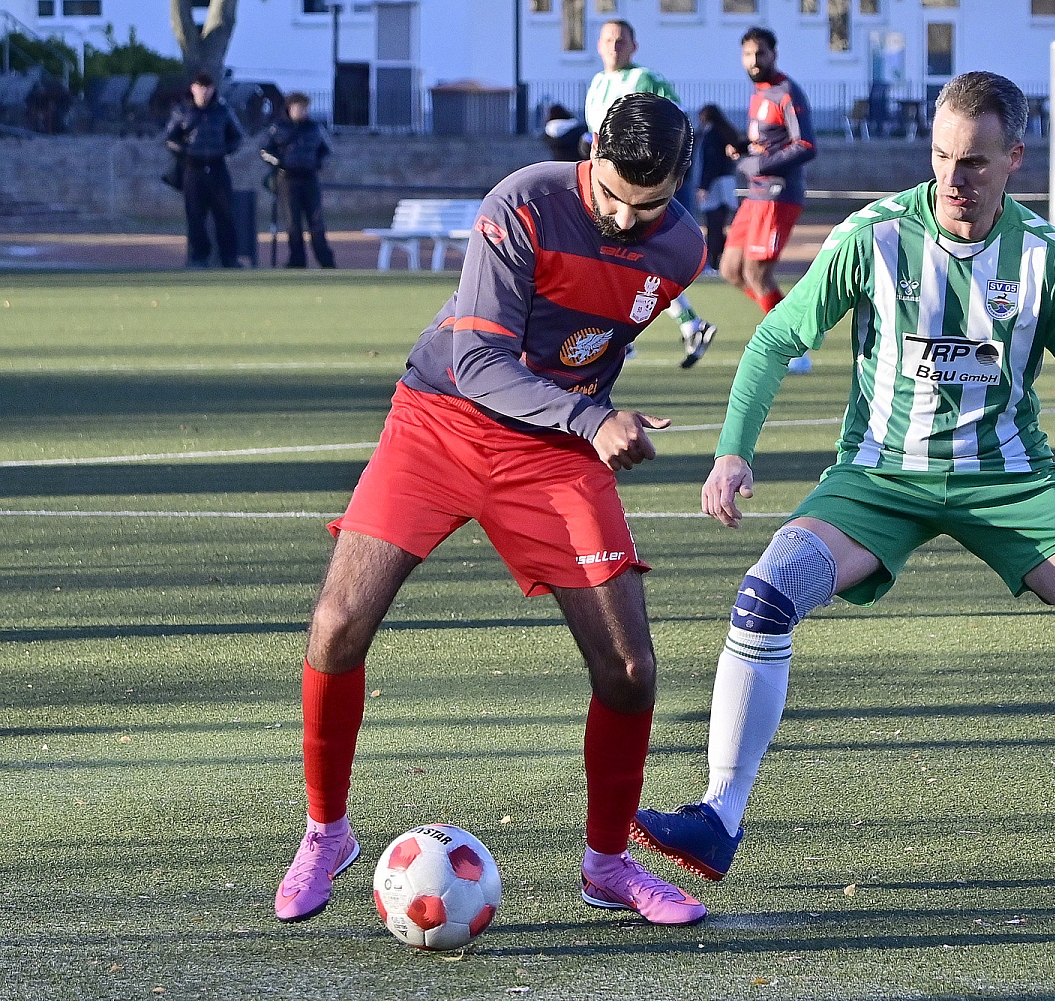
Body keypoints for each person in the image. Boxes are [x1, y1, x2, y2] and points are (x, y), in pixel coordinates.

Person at [632, 72, 1055, 888]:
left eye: (976, 162)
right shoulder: (875, 236)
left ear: (1015, 158)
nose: (955, 179)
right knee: (765, 593)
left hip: (1012, 482)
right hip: (880, 477)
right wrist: (733, 450)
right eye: (942, 157)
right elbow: (776, 339)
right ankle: (718, 815)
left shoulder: (1047, 261)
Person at [273, 93, 710, 928]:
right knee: (337, 624)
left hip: (553, 448)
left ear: (679, 185)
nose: (625, 218)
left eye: (647, 205)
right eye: (612, 194)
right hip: (441, 421)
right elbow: (477, 358)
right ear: (591, 152)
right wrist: (589, 416)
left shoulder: (684, 250)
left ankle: (608, 864)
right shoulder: (524, 203)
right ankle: (326, 832)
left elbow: (592, 345)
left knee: (629, 669)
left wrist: (584, 417)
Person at [585, 19, 717, 369]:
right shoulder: (596, 83)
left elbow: (677, 127)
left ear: (634, 46)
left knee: (627, 255)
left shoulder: (645, 79)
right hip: (605, 186)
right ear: (598, 45)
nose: (614, 46)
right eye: (608, 40)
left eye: (621, 40)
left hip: (636, 187)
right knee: (625, 257)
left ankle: (624, 336)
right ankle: (685, 325)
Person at [721, 27, 817, 373]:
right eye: (748, 54)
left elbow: (806, 144)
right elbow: (767, 141)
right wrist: (743, 149)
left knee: (757, 272)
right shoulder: (759, 92)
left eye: (760, 53)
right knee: (730, 269)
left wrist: (761, 164)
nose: (754, 60)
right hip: (756, 195)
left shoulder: (786, 91)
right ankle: (781, 326)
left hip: (778, 195)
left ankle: (792, 348)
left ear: (774, 54)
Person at [164, 72, 244, 269]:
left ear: (213, 89)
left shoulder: (223, 111)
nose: (204, 92)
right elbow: (170, 138)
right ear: (193, 89)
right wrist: (186, 151)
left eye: (207, 88)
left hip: (217, 167)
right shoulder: (182, 111)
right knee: (195, 216)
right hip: (193, 168)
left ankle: (229, 258)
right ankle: (198, 257)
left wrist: (223, 150)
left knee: (225, 215)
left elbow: (237, 137)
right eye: (200, 88)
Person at [260, 92, 336, 269]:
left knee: (316, 222)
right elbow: (265, 151)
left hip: (309, 178)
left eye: (304, 108)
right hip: (287, 180)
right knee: (293, 224)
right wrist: (279, 163)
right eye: (299, 108)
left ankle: (326, 261)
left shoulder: (314, 128)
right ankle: (297, 260)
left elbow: (326, 151)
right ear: (290, 108)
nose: (302, 111)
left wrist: (317, 163)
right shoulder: (278, 127)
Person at [696, 103, 742, 276]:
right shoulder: (724, 132)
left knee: (713, 225)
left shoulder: (711, 134)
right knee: (719, 224)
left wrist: (704, 186)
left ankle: (713, 262)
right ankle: (722, 259)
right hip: (727, 182)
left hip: (715, 185)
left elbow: (710, 163)